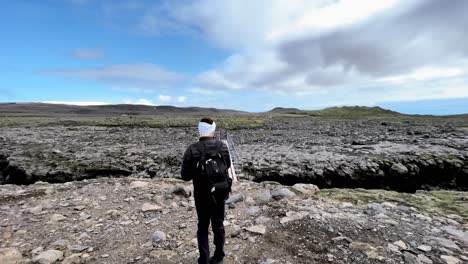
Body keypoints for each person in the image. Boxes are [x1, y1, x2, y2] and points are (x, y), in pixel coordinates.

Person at [181, 117, 231, 264]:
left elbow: (185, 176)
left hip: (201, 195)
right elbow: (227, 166)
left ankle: (204, 260)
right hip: (219, 192)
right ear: (213, 130)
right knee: (219, 224)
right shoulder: (222, 146)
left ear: (199, 130)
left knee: (202, 226)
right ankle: (219, 256)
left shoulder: (192, 149)